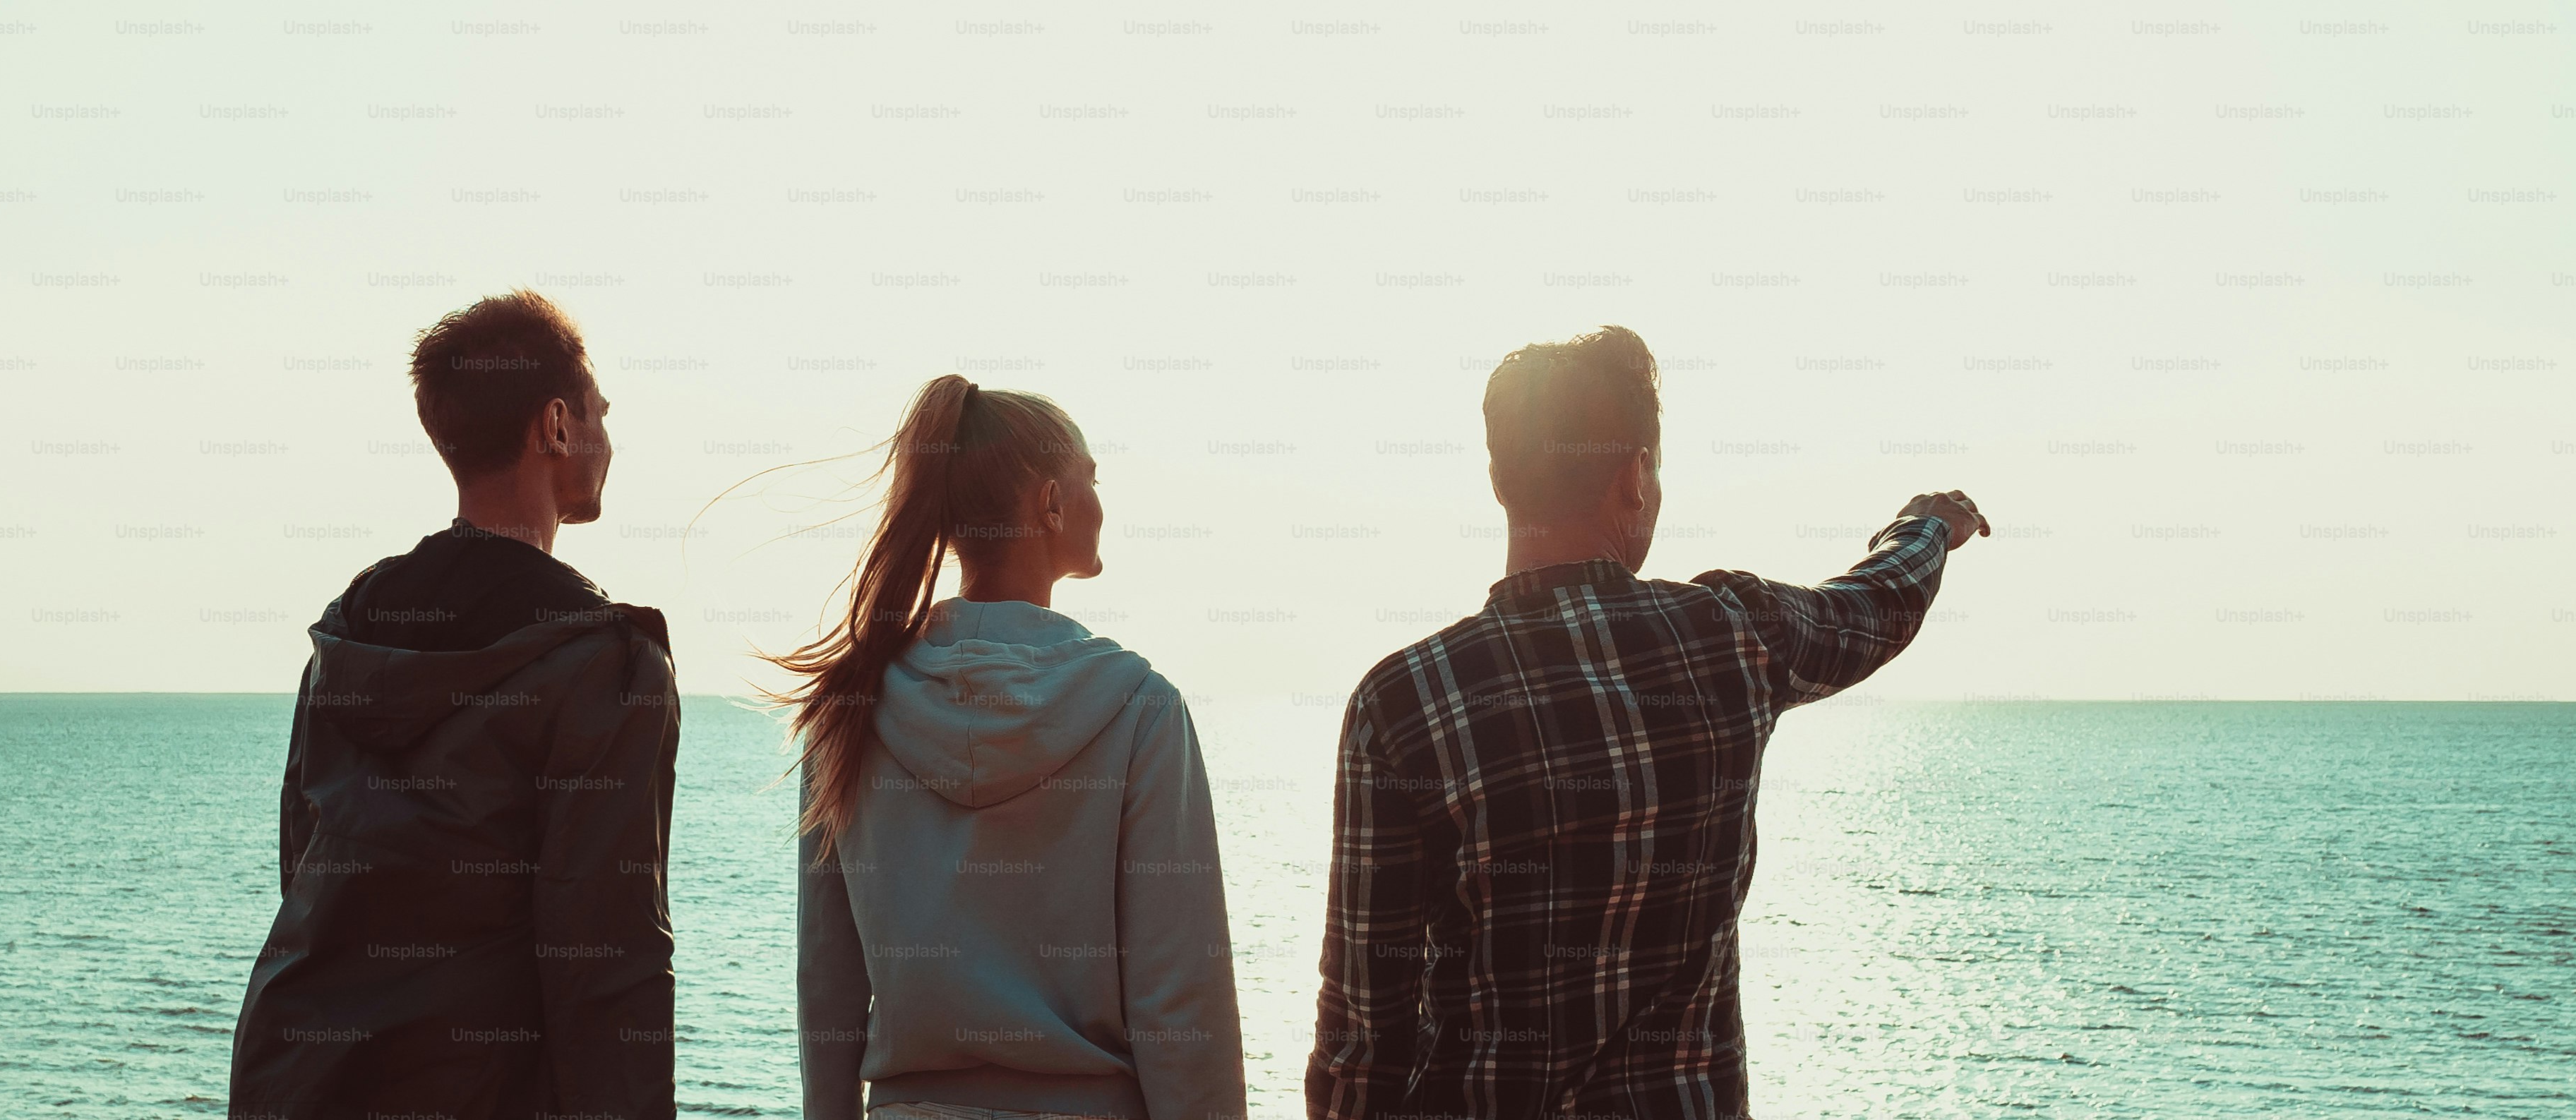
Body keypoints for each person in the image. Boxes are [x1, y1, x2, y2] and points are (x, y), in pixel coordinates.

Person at [1304, 327, 1990, 1120]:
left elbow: (1363, 1030)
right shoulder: (1731, 636)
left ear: (1500, 480)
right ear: (1633, 476)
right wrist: (1928, 525)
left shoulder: (1403, 701)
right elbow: (1872, 608)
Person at [231, 291, 677, 1120]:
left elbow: (304, 865)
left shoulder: (353, 628)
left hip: (293, 1079)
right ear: (555, 427)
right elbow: (609, 959)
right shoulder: (605, 664)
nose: (608, 436)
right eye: (599, 413)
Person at [776, 376, 1247, 1120]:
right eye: (1091, 480)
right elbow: (1179, 999)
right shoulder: (1140, 709)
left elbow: (826, 985)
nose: (1101, 502)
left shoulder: (850, 707)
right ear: (1051, 504)